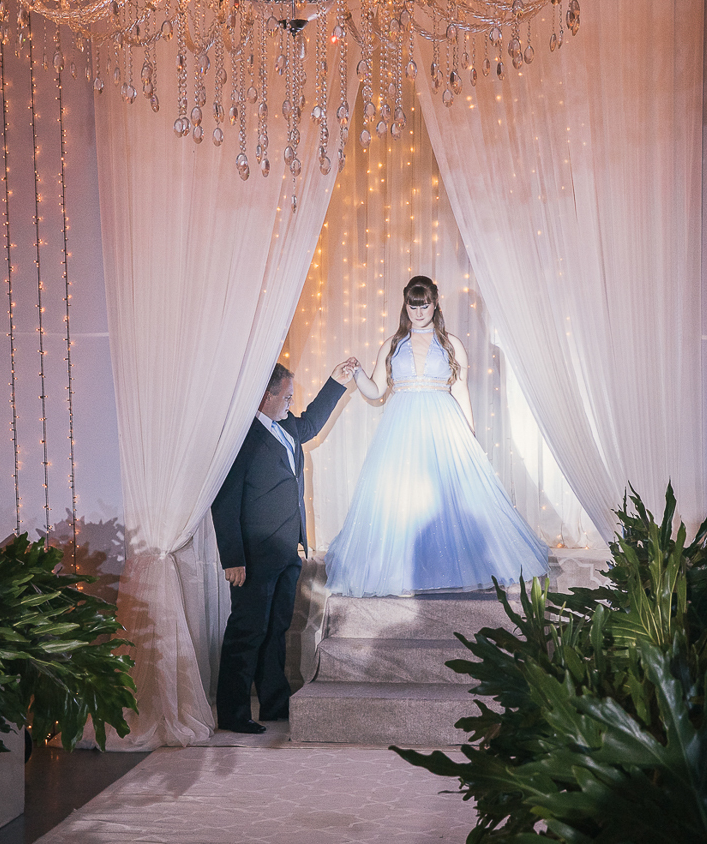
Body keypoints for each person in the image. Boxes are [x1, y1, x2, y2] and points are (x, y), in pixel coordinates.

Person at [324, 276, 549, 597]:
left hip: (444, 427)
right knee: (405, 497)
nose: (418, 312)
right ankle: (402, 574)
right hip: (401, 431)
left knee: (445, 496)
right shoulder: (392, 344)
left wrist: (469, 437)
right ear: (405, 305)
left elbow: (460, 391)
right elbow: (375, 391)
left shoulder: (451, 344)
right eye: (413, 305)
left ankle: (450, 570)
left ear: (435, 304)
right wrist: (358, 372)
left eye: (424, 305)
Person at [212, 359, 356, 733]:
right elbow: (224, 502)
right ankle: (232, 713)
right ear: (266, 395)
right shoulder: (240, 438)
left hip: (286, 551)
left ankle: (274, 703)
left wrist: (336, 382)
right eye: (287, 397)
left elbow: (311, 423)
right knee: (247, 633)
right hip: (253, 557)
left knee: (276, 631)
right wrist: (233, 557)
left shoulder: (288, 426)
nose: (291, 404)